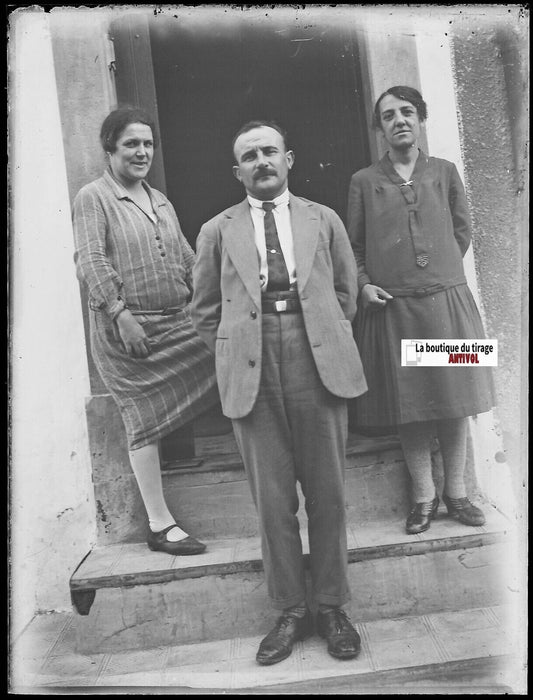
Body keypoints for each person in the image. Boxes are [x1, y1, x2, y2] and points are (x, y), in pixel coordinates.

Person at [191, 120, 367, 665]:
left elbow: (345, 292)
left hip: (318, 356)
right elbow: (202, 313)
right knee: (272, 503)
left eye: (270, 151)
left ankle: (333, 607)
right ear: (237, 170)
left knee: (329, 493)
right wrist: (240, 346)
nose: (261, 161)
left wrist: (321, 335)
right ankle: (290, 609)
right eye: (250, 156)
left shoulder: (324, 218)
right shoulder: (216, 230)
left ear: (289, 158)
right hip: (252, 362)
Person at [347, 86, 496, 536]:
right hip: (395, 309)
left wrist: (439, 275)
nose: (399, 121)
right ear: (380, 128)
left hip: (448, 304)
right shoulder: (364, 182)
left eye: (407, 112)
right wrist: (365, 284)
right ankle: (424, 498)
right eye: (388, 116)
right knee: (409, 406)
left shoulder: (445, 172)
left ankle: (458, 493)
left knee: (456, 401)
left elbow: (462, 231)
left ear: (421, 118)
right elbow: (353, 246)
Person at [73, 106, 219, 555]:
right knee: (143, 419)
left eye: (148, 144)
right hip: (128, 332)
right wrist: (121, 315)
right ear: (110, 149)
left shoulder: (160, 200)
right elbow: (90, 260)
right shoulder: (93, 197)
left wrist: (214, 295)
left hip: (177, 322)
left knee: (237, 352)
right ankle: (159, 524)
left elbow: (187, 256)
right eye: (131, 144)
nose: (142, 152)